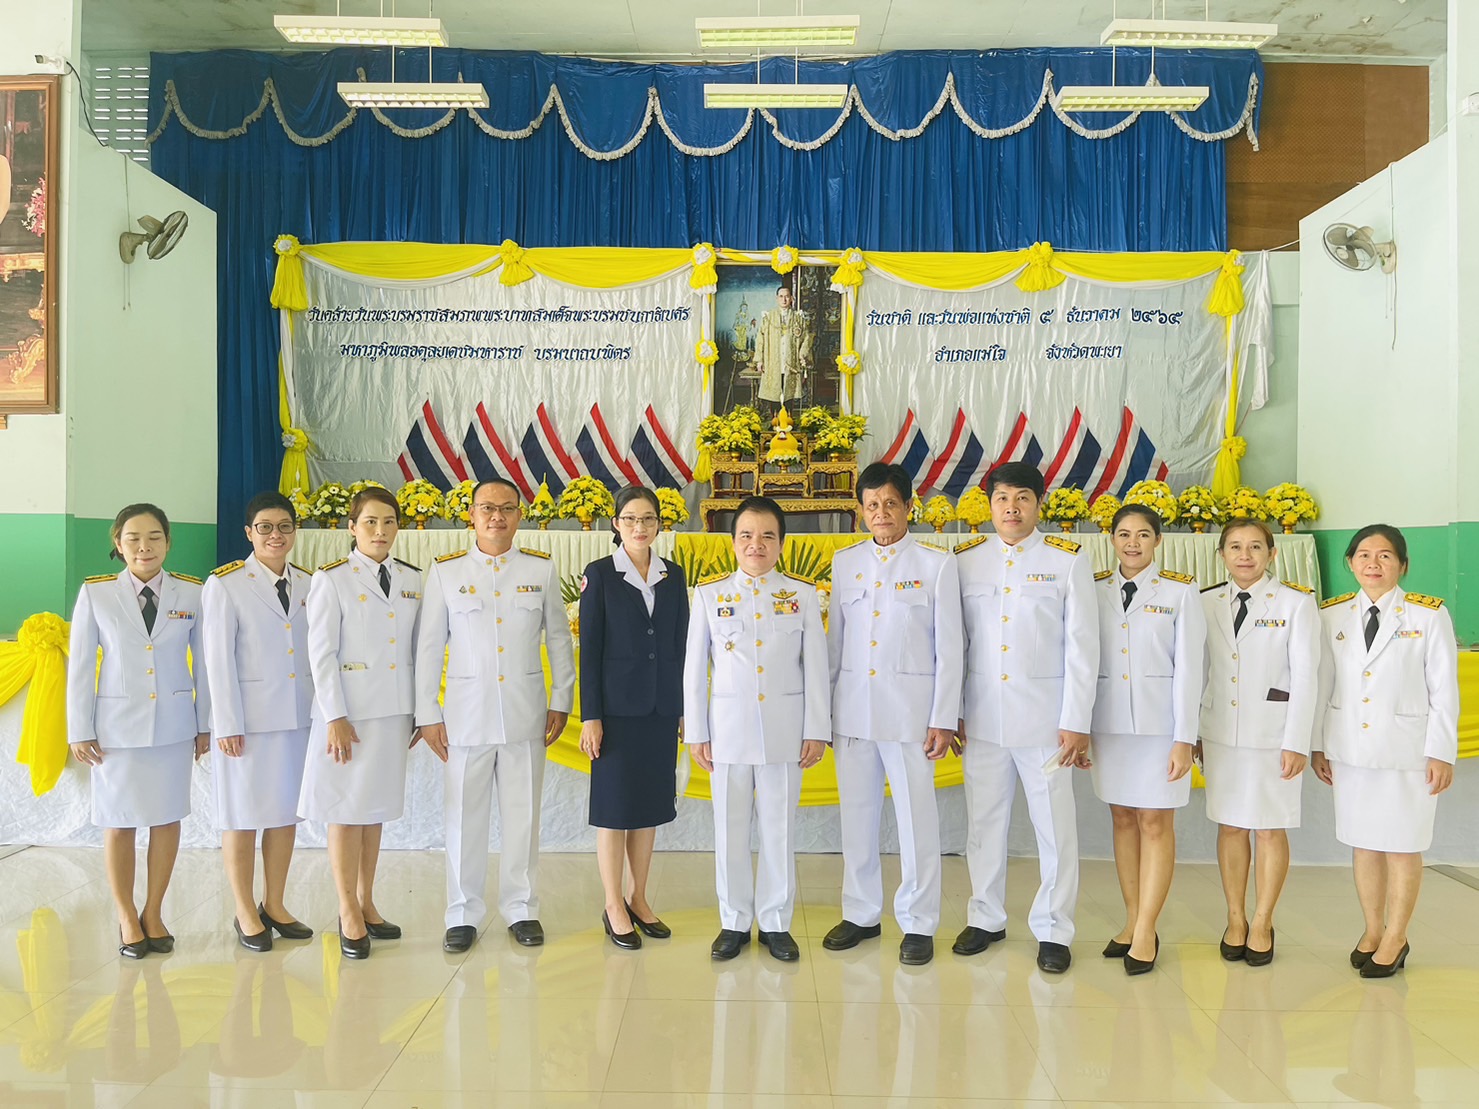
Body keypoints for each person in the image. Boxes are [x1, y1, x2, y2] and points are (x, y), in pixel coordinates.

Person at [416, 478, 575, 954]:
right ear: (470, 514)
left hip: (526, 712)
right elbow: (428, 648)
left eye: (507, 508)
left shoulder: (540, 570)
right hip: (464, 716)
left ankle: (522, 908)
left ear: (520, 515)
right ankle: (462, 913)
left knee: (523, 815)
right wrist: (428, 712)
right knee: (464, 817)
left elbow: (559, 640)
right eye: (487, 508)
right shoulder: (446, 572)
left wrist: (562, 698)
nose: (496, 517)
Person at [952, 462, 1098, 974]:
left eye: (1022, 499)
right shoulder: (967, 561)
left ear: (1039, 504)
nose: (1011, 509)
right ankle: (985, 917)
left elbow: (1083, 648)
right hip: (983, 720)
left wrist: (1077, 720)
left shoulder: (1066, 560)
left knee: (1054, 830)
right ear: (989, 504)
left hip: (1046, 724)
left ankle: (1054, 929)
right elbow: (957, 646)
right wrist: (954, 713)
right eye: (1001, 499)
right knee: (983, 824)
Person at [824, 462, 963, 966]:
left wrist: (944, 716)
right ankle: (860, 912)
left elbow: (952, 649)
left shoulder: (936, 565)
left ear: (908, 507)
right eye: (871, 504)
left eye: (890, 503)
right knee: (856, 817)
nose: (880, 513)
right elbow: (836, 646)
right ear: (861, 511)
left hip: (911, 716)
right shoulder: (846, 563)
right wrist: (827, 714)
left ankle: (919, 922)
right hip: (854, 714)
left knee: (915, 820)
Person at [683, 495, 830, 961]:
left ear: (782, 544)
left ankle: (775, 922)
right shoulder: (709, 594)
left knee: (779, 829)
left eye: (767, 535)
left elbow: (816, 668)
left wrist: (817, 729)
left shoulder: (803, 595)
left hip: (786, 731)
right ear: (732, 543)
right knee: (728, 829)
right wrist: (697, 732)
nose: (756, 544)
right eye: (746, 535)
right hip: (726, 731)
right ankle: (733, 922)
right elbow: (693, 670)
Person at [1312, 524, 1459, 978]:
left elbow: (1444, 691)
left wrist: (1441, 753)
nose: (1373, 564)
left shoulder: (1427, 616)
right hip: (1351, 750)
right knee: (1364, 845)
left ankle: (1397, 936)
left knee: (1402, 846)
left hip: (1407, 754)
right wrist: (1318, 745)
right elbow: (1323, 686)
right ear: (1351, 563)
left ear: (1403, 565)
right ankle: (1373, 929)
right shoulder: (1332, 615)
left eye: (1385, 556)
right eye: (1364, 556)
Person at [67, 503, 210, 958]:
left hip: (172, 727)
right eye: (133, 538)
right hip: (116, 731)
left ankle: (154, 911)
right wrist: (79, 728)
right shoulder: (97, 594)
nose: (144, 546)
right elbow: (82, 668)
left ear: (168, 542)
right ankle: (127, 915)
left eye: (154, 537)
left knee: (167, 819)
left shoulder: (192, 593)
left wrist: (206, 723)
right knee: (119, 822)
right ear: (118, 543)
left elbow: (205, 667)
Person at [299, 486, 422, 960]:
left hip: (392, 713)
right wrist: (334, 715)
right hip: (348, 716)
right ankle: (346, 908)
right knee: (345, 811)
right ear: (352, 528)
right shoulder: (332, 579)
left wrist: (417, 712)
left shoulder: (411, 579)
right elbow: (321, 653)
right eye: (370, 522)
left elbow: (415, 650)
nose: (380, 530)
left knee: (373, 812)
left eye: (389, 521)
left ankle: (368, 901)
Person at [1090, 504, 1206, 975]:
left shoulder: (1180, 591)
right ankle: (1133, 918)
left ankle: (1147, 929)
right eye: (1123, 534)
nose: (1132, 543)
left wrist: (1185, 737)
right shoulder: (1094, 588)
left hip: (1161, 729)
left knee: (1156, 823)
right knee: (1122, 819)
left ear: (1158, 540)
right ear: (1112, 540)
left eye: (1142, 534)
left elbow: (1191, 669)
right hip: (1110, 725)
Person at [1198, 518, 1319, 967]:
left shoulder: (1295, 603)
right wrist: (1194, 731)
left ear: (1271, 553)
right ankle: (1235, 917)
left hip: (1273, 736)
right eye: (1234, 547)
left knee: (1269, 828)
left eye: (1254, 547)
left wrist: (1298, 741)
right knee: (1230, 826)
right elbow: (1201, 670)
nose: (1244, 555)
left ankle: (1263, 919)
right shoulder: (1207, 601)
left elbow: (1307, 677)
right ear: (1222, 554)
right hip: (1222, 733)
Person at [202, 491, 316, 952]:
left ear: (294, 532)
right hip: (246, 723)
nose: (275, 535)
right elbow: (217, 659)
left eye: (284, 526)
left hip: (296, 716)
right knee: (243, 815)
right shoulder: (225, 584)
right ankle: (244, 909)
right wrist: (226, 723)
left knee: (285, 814)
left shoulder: (311, 583)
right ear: (249, 533)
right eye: (265, 527)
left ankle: (276, 903)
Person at [578, 485, 689, 950]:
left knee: (647, 810)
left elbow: (679, 646)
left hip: (660, 710)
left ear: (660, 524)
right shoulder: (600, 575)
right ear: (616, 525)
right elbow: (591, 648)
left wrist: (683, 708)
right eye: (629, 519)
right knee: (614, 811)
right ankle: (612, 904)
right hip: (616, 712)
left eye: (647, 519)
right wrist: (591, 716)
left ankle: (639, 898)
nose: (639, 527)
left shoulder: (673, 574)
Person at [754, 284, 812, 407]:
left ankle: (789, 420)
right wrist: (759, 360)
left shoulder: (798, 318)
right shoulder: (768, 317)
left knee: (789, 393)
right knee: (774, 392)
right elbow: (760, 339)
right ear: (777, 298)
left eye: (787, 296)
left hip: (791, 360)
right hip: (773, 361)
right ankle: (775, 419)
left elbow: (806, 338)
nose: (784, 300)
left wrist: (802, 355)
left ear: (791, 298)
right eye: (781, 296)